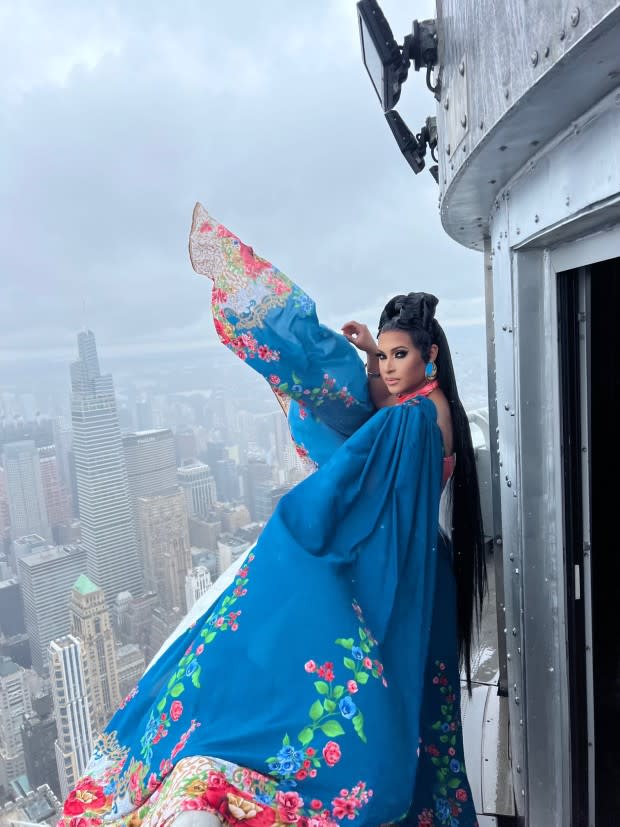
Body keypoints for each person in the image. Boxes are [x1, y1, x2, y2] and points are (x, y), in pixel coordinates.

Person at [58, 204, 485, 827]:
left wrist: (294, 531)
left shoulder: (409, 421)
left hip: (400, 570)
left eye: (398, 356)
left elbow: (354, 480)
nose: (387, 369)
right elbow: (383, 399)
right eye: (385, 356)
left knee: (324, 648)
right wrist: (369, 352)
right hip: (427, 570)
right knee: (426, 713)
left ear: (431, 358)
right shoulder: (430, 404)